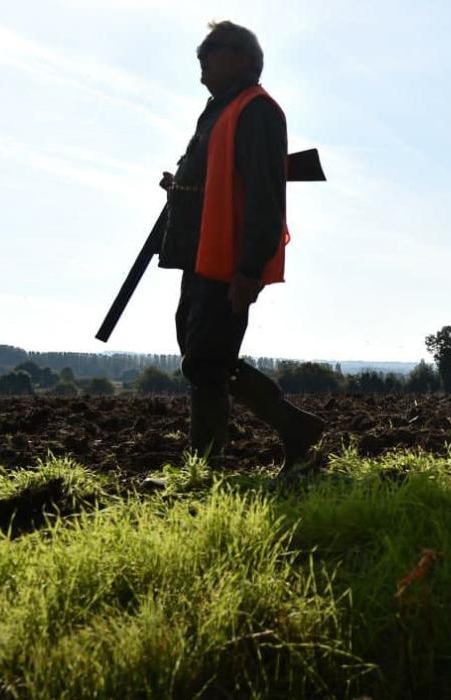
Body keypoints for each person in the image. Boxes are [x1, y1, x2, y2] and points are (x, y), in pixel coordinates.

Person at [156, 20, 321, 469]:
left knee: (208, 360)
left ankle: (208, 463)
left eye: (208, 53)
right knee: (203, 359)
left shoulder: (256, 110)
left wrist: (249, 268)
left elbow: (266, 197)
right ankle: (289, 433)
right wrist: (182, 187)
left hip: (227, 261)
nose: (202, 66)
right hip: (200, 255)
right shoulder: (220, 111)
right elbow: (222, 184)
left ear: (240, 57)